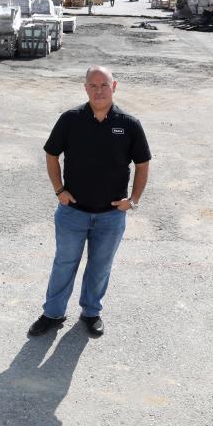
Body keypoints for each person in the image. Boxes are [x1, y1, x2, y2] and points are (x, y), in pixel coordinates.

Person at [29, 66, 151, 338]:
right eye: (93, 85)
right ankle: (53, 313)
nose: (98, 90)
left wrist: (133, 200)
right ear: (85, 88)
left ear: (114, 87)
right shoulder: (70, 120)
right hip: (72, 213)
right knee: (64, 263)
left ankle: (91, 312)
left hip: (110, 216)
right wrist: (59, 190)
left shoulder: (129, 124)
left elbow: (143, 164)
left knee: (99, 266)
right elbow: (51, 155)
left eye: (104, 85)